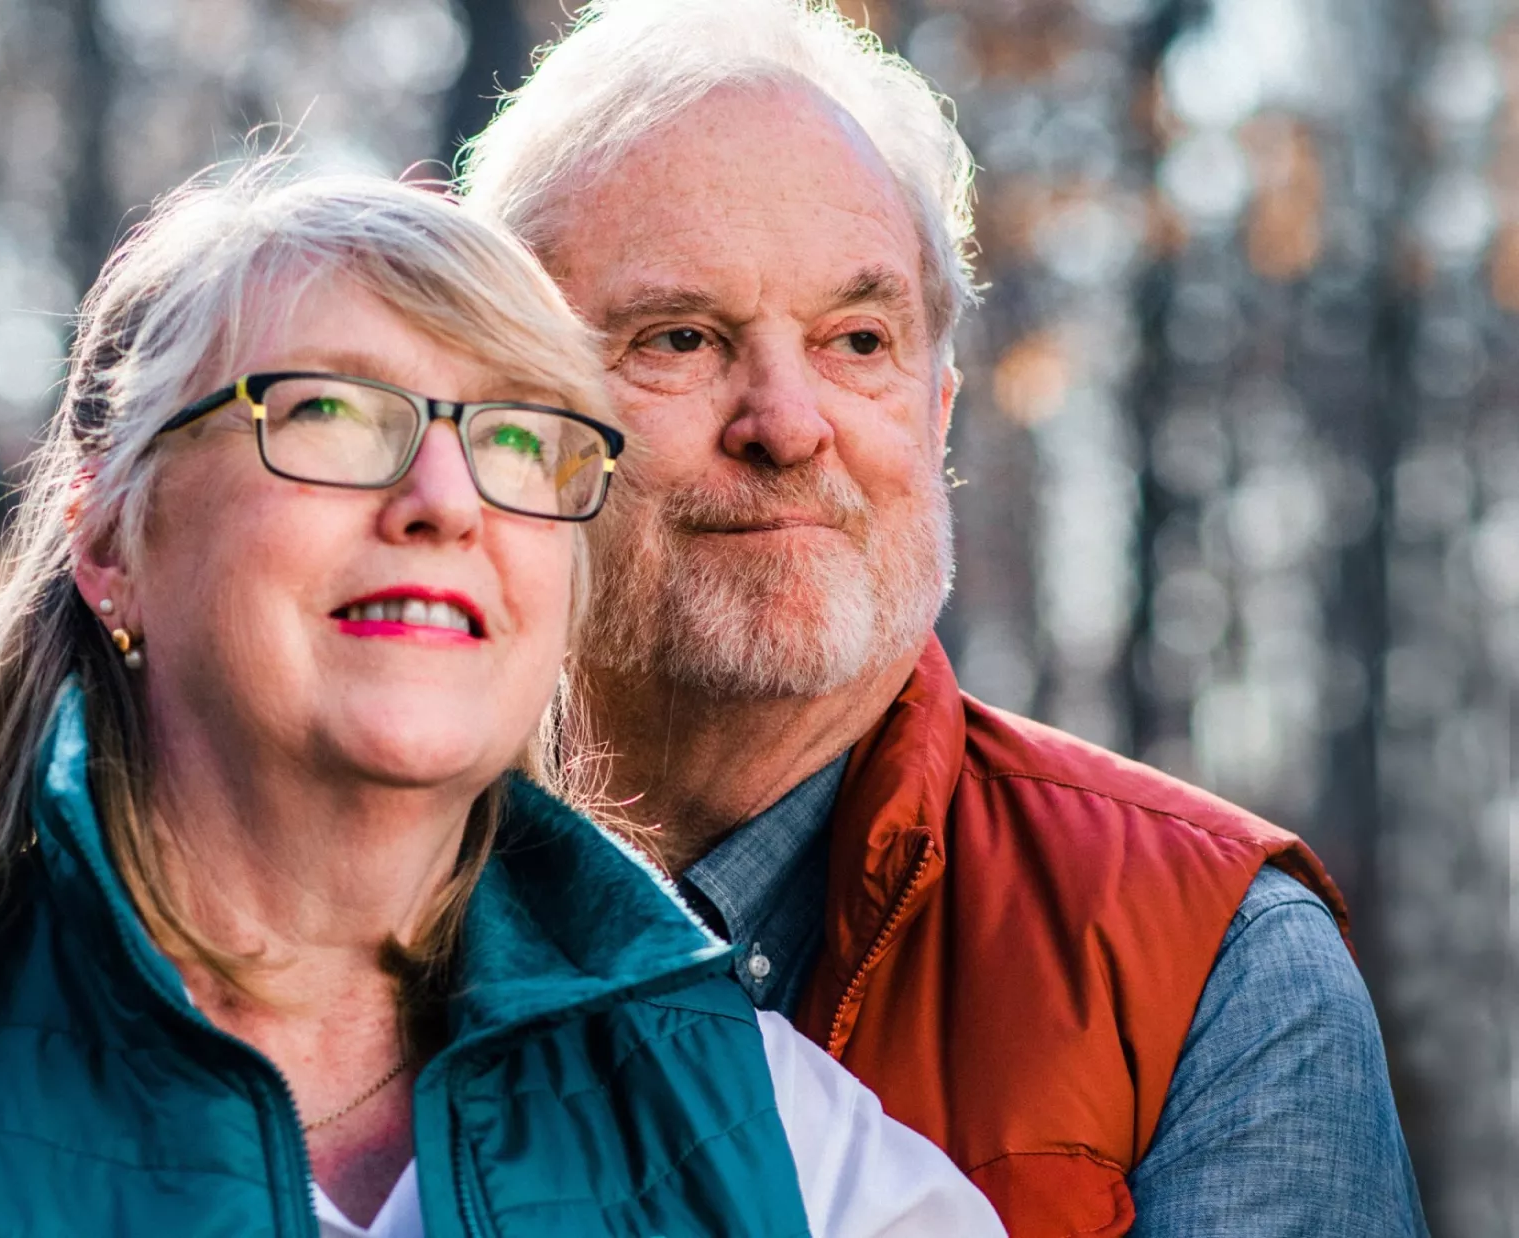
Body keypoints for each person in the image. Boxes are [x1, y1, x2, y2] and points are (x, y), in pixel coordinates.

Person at [0, 168, 1002, 1237]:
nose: (440, 497)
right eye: (331, 412)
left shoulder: (782, 1149)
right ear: (110, 541)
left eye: (519, 438)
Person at [461, 4, 1430, 1237]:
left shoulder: (1213, 963)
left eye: (857, 339)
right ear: (500, 423)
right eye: (680, 339)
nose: (789, 420)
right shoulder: (319, 905)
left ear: (937, 407)